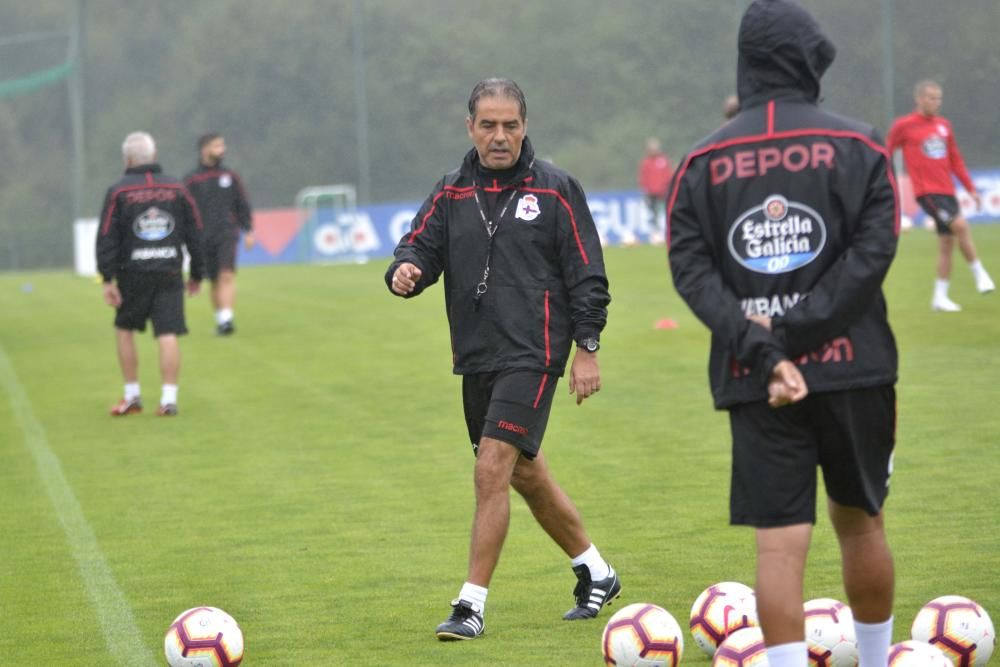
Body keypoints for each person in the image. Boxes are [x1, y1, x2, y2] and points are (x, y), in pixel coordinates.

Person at [667, 2, 898, 666]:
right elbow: (871, 256)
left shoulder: (702, 160)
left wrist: (768, 350)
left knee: (778, 544)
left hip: (756, 376)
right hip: (854, 365)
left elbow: (690, 269)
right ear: (807, 58)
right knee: (860, 524)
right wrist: (801, 331)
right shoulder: (861, 144)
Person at [386, 78, 619, 641]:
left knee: (492, 466)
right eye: (487, 125)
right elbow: (418, 246)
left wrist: (586, 348)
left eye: (509, 125)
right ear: (470, 127)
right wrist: (405, 271)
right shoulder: (451, 192)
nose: (499, 136)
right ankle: (596, 570)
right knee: (523, 472)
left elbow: (588, 275)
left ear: (525, 126)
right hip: (476, 356)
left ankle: (470, 606)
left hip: (535, 354)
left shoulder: (558, 189)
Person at [97, 131, 205, 416]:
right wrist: (197, 273)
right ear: (154, 156)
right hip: (169, 270)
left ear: (127, 159)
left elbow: (107, 236)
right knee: (167, 333)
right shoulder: (178, 188)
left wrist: (107, 278)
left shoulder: (118, 191)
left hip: (132, 273)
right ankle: (168, 399)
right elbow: (195, 231)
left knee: (125, 330)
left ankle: (132, 396)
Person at [887, 80, 994, 311]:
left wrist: (971, 189)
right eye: (931, 98)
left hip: (947, 190)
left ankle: (940, 297)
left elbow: (956, 160)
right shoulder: (904, 126)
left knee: (947, 242)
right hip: (927, 192)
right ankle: (980, 274)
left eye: (938, 98)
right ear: (919, 99)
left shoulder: (944, 126)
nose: (936, 103)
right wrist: (884, 181)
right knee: (962, 227)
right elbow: (886, 152)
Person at [184, 133, 254, 334]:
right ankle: (221, 319)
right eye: (217, 145)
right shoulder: (192, 180)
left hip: (227, 233)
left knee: (226, 275)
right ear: (205, 149)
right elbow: (184, 209)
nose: (222, 149)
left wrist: (248, 229)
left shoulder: (231, 177)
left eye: (223, 145)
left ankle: (227, 320)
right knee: (213, 279)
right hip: (202, 237)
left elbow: (242, 205)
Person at [637, 137, 674, 229]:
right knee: (653, 214)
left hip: (664, 192)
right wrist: (645, 190)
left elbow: (668, 175)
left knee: (665, 213)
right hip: (651, 193)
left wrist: (668, 188)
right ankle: (656, 231)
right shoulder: (646, 162)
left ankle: (666, 229)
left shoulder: (664, 160)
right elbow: (643, 177)